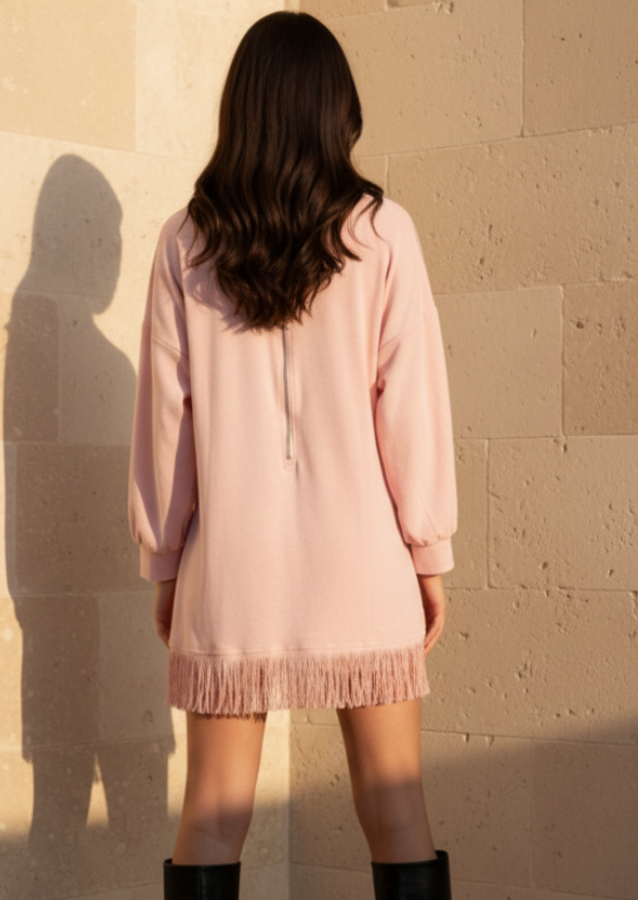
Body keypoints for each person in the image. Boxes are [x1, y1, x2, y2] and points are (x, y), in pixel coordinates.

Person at [127, 10, 458, 900]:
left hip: (230, 571)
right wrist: (428, 553)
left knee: (210, 815)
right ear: (333, 109)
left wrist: (167, 562)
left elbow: (169, 421)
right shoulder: (385, 234)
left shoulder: (183, 242)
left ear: (242, 109)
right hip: (363, 568)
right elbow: (412, 409)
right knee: (396, 811)